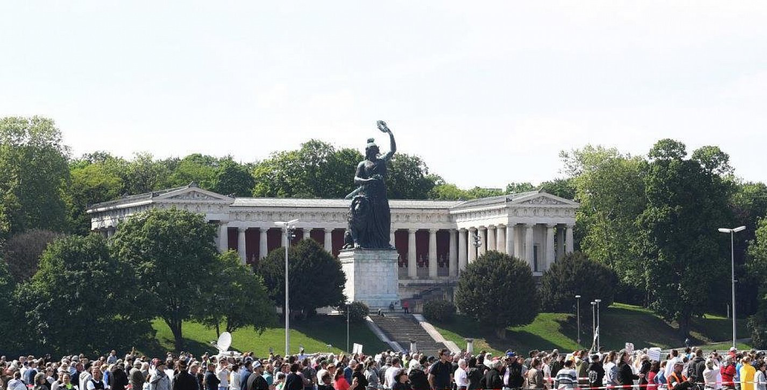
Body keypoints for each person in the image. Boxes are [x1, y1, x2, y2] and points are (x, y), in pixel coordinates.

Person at [345, 121, 397, 249]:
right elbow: (356, 179)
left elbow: (392, 150)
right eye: (372, 150)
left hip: (380, 194)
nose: (374, 152)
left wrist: (390, 134)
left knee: (384, 217)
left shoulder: (381, 160)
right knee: (367, 220)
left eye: (375, 150)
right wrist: (367, 181)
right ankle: (363, 242)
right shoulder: (362, 164)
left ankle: (383, 242)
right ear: (368, 151)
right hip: (367, 195)